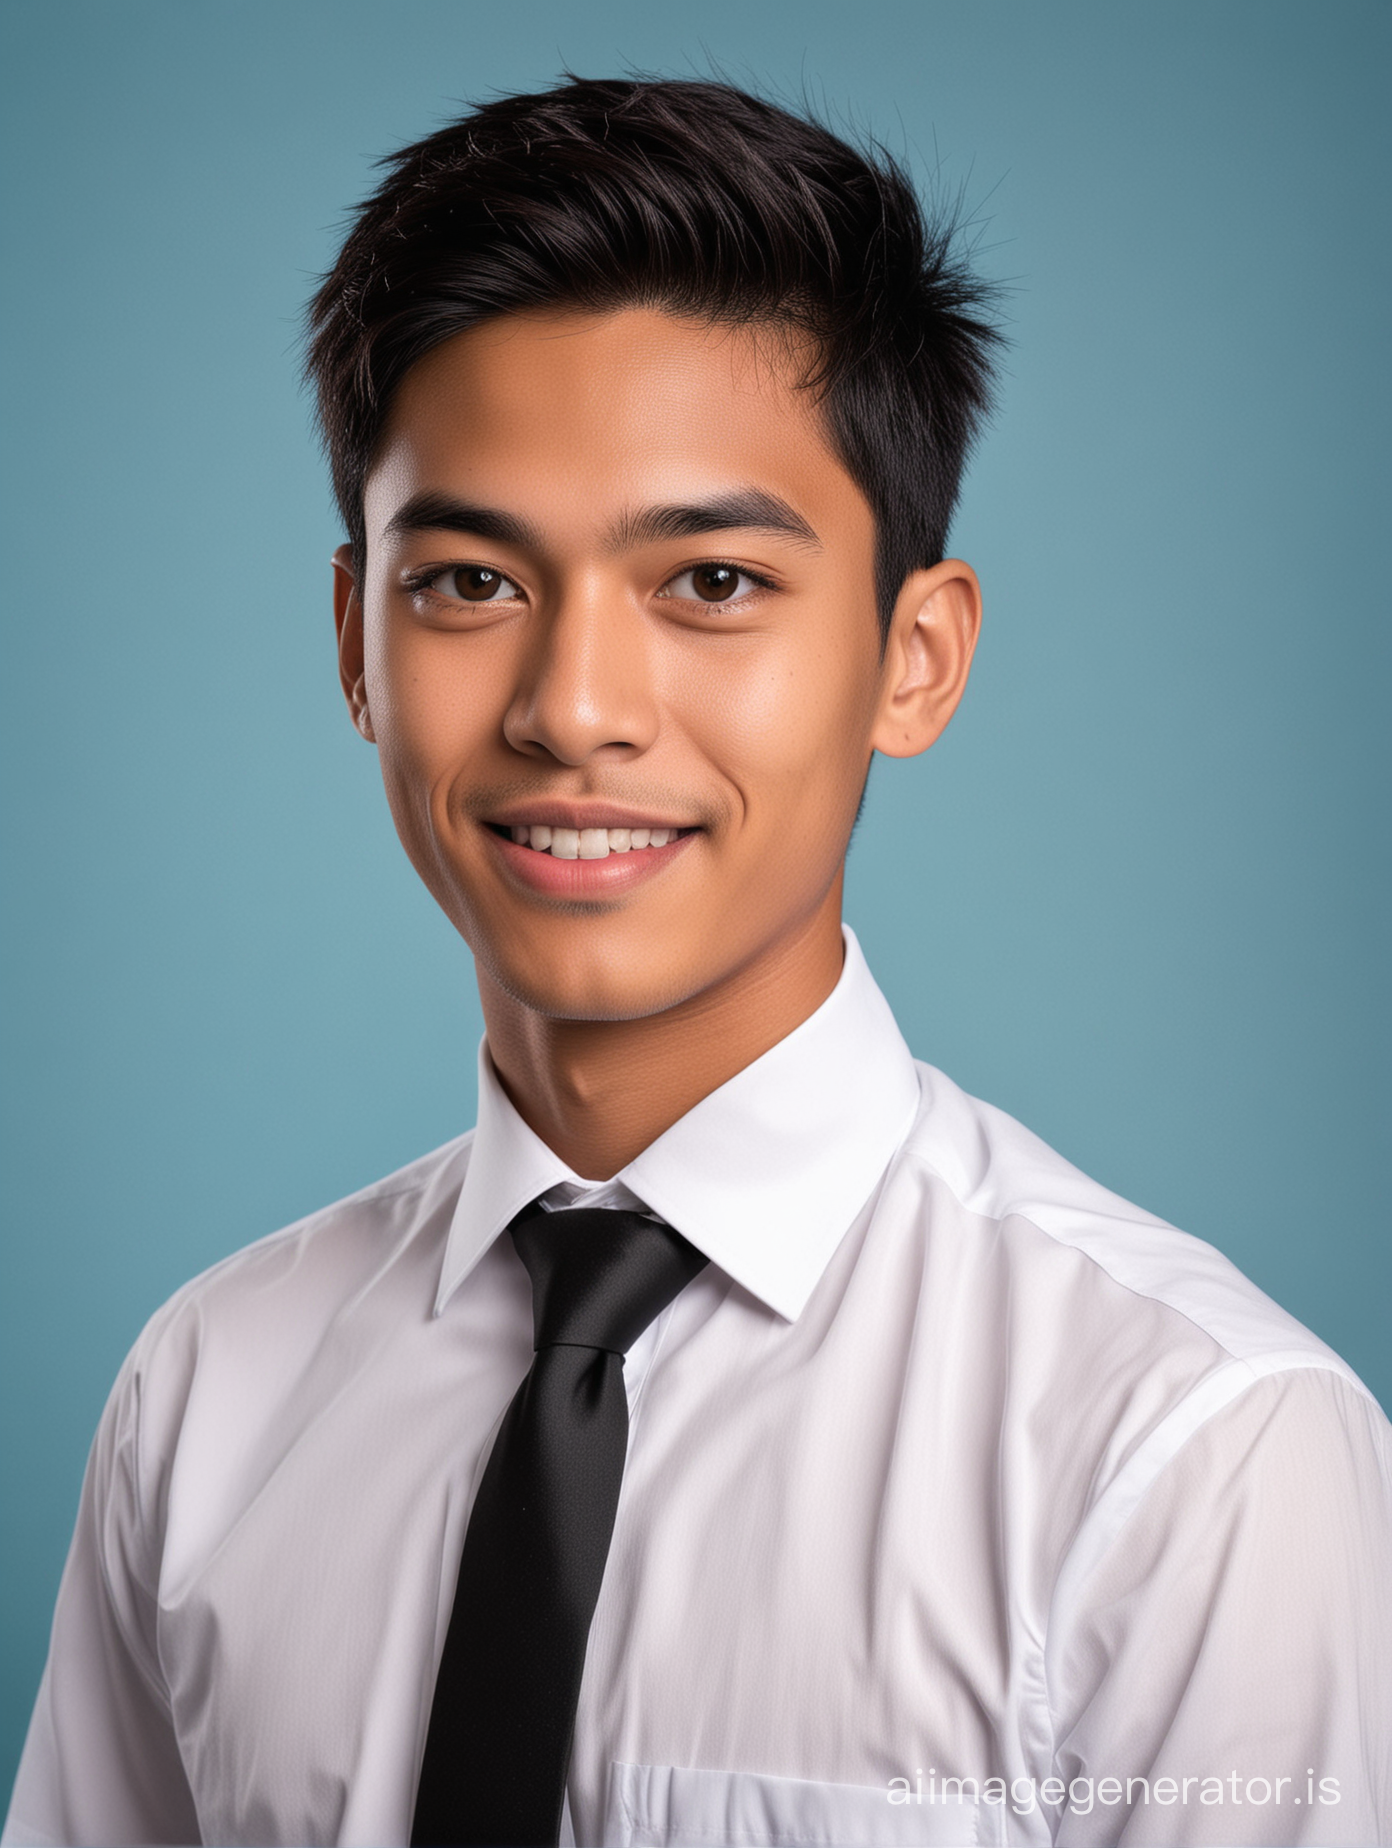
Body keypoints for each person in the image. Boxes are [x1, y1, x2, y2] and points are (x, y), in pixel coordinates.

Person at [4, 74, 1389, 1848]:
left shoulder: (1187, 1454)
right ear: (353, 645)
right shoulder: (206, 1397)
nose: (574, 708)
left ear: (916, 656)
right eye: (468, 585)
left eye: (714, 583)